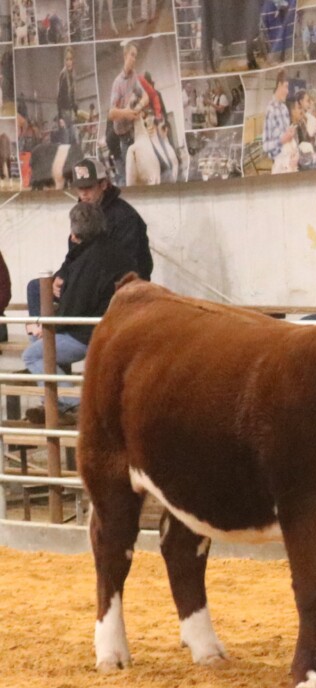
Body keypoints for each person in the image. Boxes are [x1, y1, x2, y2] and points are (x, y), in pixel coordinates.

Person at [23, 201, 132, 422]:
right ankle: (58, 406)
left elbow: (75, 308)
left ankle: (75, 404)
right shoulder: (113, 249)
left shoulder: (88, 261)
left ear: (75, 232)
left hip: (89, 333)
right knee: (39, 343)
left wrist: (45, 326)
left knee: (32, 354)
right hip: (113, 325)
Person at [29, 158, 151, 326]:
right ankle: (44, 340)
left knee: (66, 299)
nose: (84, 194)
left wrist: (77, 279)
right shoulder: (83, 213)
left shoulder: (125, 217)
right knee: (37, 288)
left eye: (89, 187)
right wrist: (62, 275)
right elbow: (74, 254)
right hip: (87, 277)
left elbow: (127, 264)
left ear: (103, 184)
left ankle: (54, 342)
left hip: (116, 286)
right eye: (80, 188)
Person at [105, 42, 143, 180]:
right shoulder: (117, 84)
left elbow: (143, 95)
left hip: (129, 135)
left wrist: (138, 107)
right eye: (132, 55)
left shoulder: (134, 77)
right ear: (125, 56)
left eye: (136, 56)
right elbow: (112, 113)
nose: (134, 59)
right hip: (118, 141)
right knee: (125, 177)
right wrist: (126, 113)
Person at [262, 71, 295, 173]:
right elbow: (265, 146)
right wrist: (282, 140)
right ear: (279, 85)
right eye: (286, 87)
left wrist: (295, 153)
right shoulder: (270, 110)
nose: (287, 91)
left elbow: (289, 138)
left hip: (291, 160)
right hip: (280, 164)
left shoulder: (284, 108)